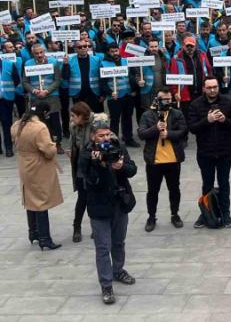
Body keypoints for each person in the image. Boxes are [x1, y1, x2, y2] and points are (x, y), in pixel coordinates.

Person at [78, 114, 138, 305]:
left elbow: (132, 169)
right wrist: (99, 164)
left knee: (119, 242)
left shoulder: (118, 147)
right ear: (93, 137)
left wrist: (120, 166)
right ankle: (106, 285)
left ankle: (118, 270)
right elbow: (90, 181)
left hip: (119, 202)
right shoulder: (87, 154)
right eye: (101, 136)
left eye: (107, 135)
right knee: (102, 247)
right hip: (99, 206)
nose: (105, 139)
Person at [187, 76, 231, 229]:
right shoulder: (196, 104)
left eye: (215, 87)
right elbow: (192, 128)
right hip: (205, 152)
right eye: (209, 87)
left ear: (218, 87)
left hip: (224, 151)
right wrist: (207, 120)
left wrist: (225, 120)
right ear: (204, 88)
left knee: (224, 183)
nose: (212, 90)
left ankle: (225, 213)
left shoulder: (228, 102)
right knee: (207, 184)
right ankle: (206, 213)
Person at [11, 102, 62, 250]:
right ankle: (45, 238)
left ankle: (33, 232)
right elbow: (48, 150)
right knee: (41, 201)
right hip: (38, 165)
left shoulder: (17, 124)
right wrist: (53, 145)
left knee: (30, 199)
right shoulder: (39, 127)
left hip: (24, 163)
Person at [138, 87, 188, 232]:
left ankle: (175, 214)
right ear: (156, 99)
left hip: (173, 160)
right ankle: (151, 216)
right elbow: (142, 134)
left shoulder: (177, 113)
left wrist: (169, 134)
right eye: (163, 99)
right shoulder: (147, 115)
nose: (166, 101)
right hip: (154, 161)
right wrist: (155, 128)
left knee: (174, 189)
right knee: (152, 191)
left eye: (168, 98)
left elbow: (183, 131)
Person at [23, 43, 65, 153]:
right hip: (36, 97)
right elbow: (25, 82)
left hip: (51, 96)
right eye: (36, 53)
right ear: (33, 54)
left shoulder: (53, 62)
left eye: (41, 52)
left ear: (44, 51)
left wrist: (47, 91)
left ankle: (58, 143)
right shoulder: (28, 63)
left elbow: (57, 80)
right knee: (39, 122)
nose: (39, 55)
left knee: (55, 121)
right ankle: (42, 144)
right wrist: (35, 90)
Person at [68, 102, 94, 243]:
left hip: (93, 166)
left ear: (81, 115)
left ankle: (96, 226)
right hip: (79, 167)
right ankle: (76, 227)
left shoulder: (97, 125)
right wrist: (72, 153)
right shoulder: (73, 127)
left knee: (94, 198)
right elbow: (74, 145)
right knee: (82, 199)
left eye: (73, 116)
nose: (71, 119)